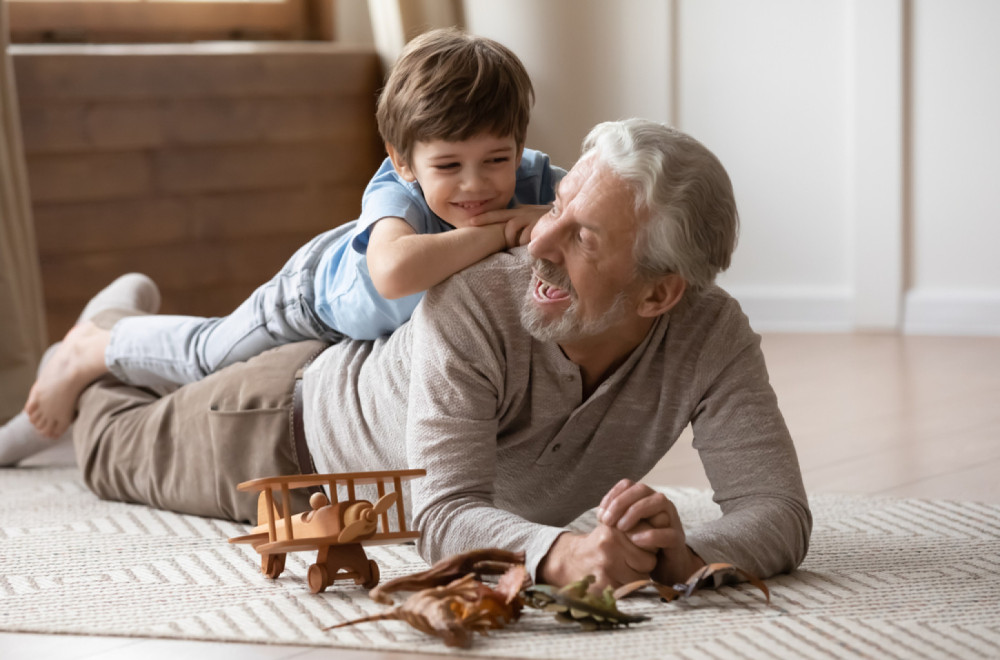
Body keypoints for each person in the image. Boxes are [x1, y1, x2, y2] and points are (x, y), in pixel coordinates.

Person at [14, 119, 812, 588]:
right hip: (277, 429)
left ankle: (113, 334)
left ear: (660, 294)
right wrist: (564, 555)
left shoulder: (712, 335)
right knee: (105, 442)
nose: (539, 237)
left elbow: (778, 512)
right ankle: (98, 338)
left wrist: (684, 554)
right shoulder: (473, 302)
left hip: (335, 430)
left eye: (583, 236)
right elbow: (443, 514)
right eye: (557, 208)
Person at [19, 27, 564, 442]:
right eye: (448, 166)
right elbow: (395, 273)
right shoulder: (395, 192)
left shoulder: (531, 176)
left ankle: (110, 332)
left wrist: (545, 213)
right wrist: (501, 234)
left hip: (364, 331)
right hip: (309, 299)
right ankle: (93, 345)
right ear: (404, 161)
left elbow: (600, 213)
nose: (477, 185)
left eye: (497, 158)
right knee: (209, 357)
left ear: (519, 145)